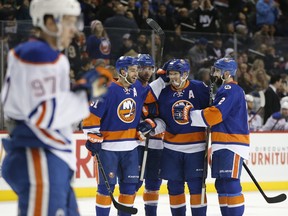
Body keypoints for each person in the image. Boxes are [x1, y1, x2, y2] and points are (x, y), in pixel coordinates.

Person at [0, 0, 111, 215]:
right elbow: (43, 114)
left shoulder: (41, 54)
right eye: (69, 22)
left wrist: (79, 90)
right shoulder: (39, 54)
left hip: (47, 156)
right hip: (39, 156)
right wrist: (85, 93)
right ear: (50, 21)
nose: (75, 31)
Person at [174, 58, 249, 216]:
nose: (214, 74)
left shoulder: (230, 89)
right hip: (222, 143)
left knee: (230, 182)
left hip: (231, 143)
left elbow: (216, 114)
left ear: (226, 73)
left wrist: (191, 114)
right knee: (221, 184)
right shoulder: (224, 90)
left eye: (217, 71)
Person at [140, 59, 210, 216]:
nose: (173, 78)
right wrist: (153, 125)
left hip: (196, 148)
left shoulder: (199, 88)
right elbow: (160, 119)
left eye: (176, 74)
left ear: (185, 74)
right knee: (174, 186)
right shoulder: (164, 93)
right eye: (170, 74)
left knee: (197, 186)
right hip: (171, 149)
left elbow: (212, 111)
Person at [135, 54, 164, 216]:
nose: (146, 72)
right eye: (142, 68)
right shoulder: (133, 88)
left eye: (149, 68)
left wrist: (154, 125)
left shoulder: (161, 91)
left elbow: (166, 118)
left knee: (153, 184)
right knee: (134, 182)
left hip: (158, 144)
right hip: (138, 144)